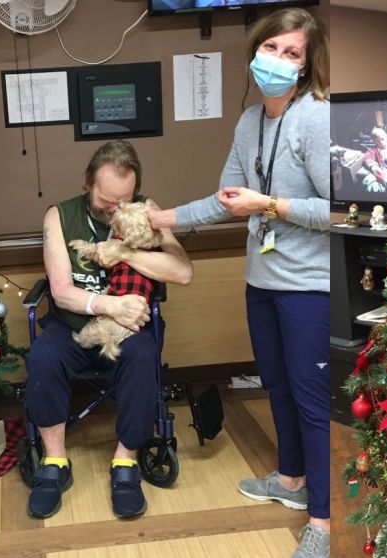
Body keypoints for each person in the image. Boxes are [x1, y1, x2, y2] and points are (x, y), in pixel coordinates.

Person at [147, 7, 330, 558]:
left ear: (306, 65)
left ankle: (322, 520)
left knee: (312, 401)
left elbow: (342, 209)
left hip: (310, 287)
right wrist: (163, 220)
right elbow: (226, 200)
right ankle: (291, 481)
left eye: (291, 53)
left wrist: (269, 203)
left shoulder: (317, 117)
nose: (277, 60)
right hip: (263, 279)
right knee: (275, 385)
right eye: (271, 48)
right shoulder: (250, 121)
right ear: (254, 51)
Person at [25, 140, 193, 520]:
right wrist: (108, 305)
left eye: (124, 199)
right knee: (42, 357)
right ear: (88, 182)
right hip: (72, 326)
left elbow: (182, 272)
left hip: (128, 332)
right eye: (106, 199)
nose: (116, 209)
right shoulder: (60, 216)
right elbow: (62, 292)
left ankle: (125, 463)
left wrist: (126, 253)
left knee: (144, 355)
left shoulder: (147, 210)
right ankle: (54, 462)